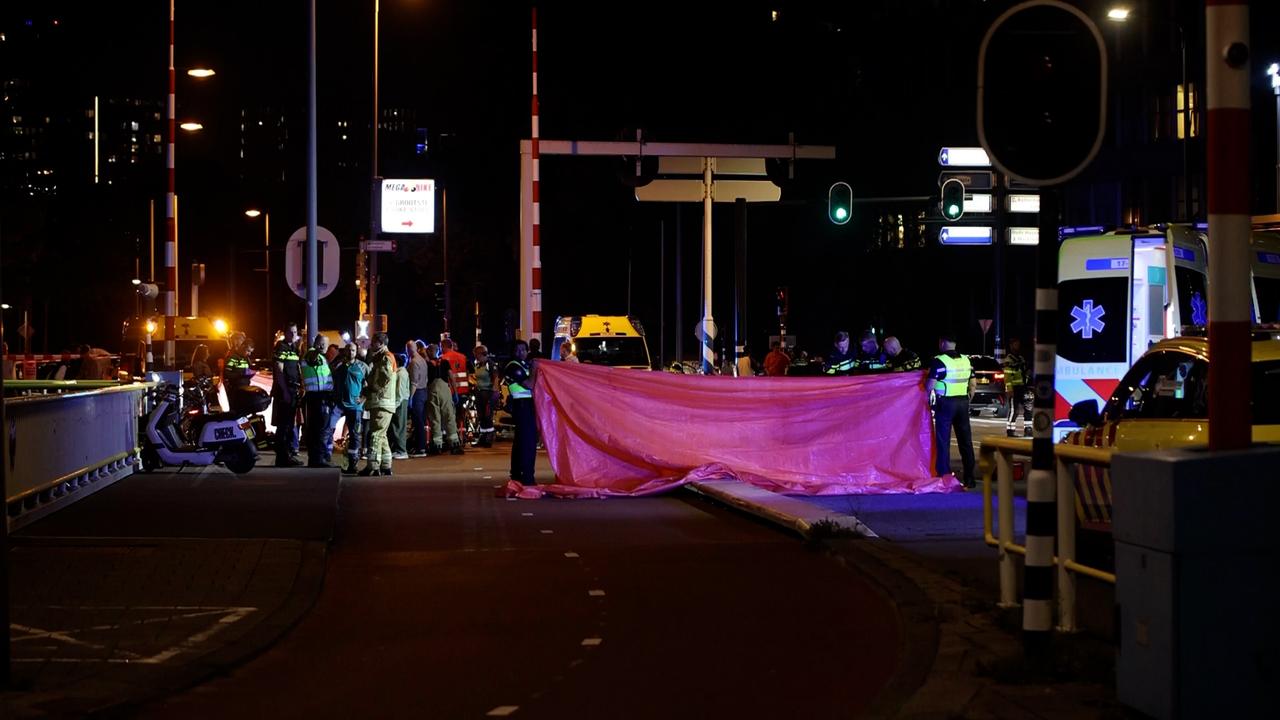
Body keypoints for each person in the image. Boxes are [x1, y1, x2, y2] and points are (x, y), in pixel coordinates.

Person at [927, 333, 976, 488]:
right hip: (962, 402)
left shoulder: (939, 361)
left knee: (943, 441)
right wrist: (968, 399)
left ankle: (944, 477)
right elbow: (973, 384)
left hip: (945, 403)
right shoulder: (966, 360)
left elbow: (929, 385)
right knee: (966, 441)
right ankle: (970, 477)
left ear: (942, 343)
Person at [360, 332, 398, 476]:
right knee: (382, 435)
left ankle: (373, 466)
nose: (371, 345)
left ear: (381, 343)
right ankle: (386, 466)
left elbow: (384, 377)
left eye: (374, 342)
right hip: (384, 402)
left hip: (381, 401)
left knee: (375, 434)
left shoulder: (384, 358)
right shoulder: (383, 357)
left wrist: (372, 389)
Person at [505, 339, 538, 485]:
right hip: (522, 406)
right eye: (518, 350)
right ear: (513, 351)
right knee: (527, 443)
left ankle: (518, 475)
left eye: (524, 350)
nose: (521, 353)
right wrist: (535, 369)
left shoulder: (523, 365)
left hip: (526, 406)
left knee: (521, 442)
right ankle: (527, 477)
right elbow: (529, 384)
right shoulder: (513, 367)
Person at [271, 324, 304, 466]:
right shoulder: (282, 347)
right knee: (284, 425)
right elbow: (279, 370)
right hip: (285, 391)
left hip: (293, 390)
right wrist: (284, 391)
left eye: (295, 332)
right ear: (286, 333)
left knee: (290, 424)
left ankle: (288, 455)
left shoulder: (294, 349)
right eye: (290, 332)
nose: (293, 334)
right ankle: (282, 457)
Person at [331, 343, 366, 474]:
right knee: (328, 428)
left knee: (355, 435)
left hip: (355, 407)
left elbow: (370, 383)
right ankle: (326, 458)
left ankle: (353, 463)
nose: (350, 352)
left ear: (356, 352)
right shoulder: (340, 366)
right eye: (348, 350)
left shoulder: (362, 367)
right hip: (339, 405)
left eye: (353, 350)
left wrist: (363, 398)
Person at [301, 334, 336, 467]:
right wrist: (317, 349)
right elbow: (312, 358)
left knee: (318, 428)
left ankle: (316, 457)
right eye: (325, 345)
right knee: (321, 428)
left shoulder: (321, 357)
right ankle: (318, 458)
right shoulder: (311, 354)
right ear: (319, 344)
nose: (325, 348)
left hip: (321, 397)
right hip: (317, 397)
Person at [426, 343, 462, 455]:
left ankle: (437, 445)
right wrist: (455, 392)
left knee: (435, 418)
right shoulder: (445, 362)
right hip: (445, 390)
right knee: (449, 416)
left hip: (432, 390)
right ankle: (454, 443)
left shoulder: (427, 364)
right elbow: (451, 377)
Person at [441, 337, 471, 438]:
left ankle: (450, 437)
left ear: (444, 347)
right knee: (461, 415)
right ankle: (462, 436)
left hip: (450, 391)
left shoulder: (443, 358)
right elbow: (468, 372)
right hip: (463, 390)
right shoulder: (463, 357)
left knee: (449, 415)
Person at [1003, 337, 1032, 438]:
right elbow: (1007, 377)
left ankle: (1028, 429)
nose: (1017, 346)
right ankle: (1010, 430)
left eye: (1018, 344)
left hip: (1023, 387)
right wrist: (1009, 389)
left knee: (1028, 408)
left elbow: (1025, 372)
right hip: (1014, 388)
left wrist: (1027, 376)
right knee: (1014, 410)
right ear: (1011, 346)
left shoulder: (1021, 358)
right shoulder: (1008, 360)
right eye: (1015, 344)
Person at [472, 344, 499, 447]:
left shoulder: (490, 364)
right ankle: (483, 437)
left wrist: (495, 393)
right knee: (481, 416)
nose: (475, 357)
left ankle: (489, 437)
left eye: (476, 354)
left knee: (488, 416)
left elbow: (495, 378)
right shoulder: (479, 365)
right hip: (479, 393)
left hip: (488, 393)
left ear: (482, 354)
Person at [407, 339, 430, 457]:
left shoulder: (413, 362)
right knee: (421, 420)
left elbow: (414, 382)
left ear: (410, 349)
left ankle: (420, 448)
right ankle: (421, 446)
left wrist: (410, 398)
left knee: (418, 421)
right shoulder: (422, 361)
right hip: (424, 391)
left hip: (417, 393)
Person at [388, 352, 412, 460]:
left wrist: (395, 405)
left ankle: (401, 450)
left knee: (399, 426)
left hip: (399, 402)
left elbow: (400, 392)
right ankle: (399, 449)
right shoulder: (400, 372)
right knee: (397, 426)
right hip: (399, 401)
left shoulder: (401, 373)